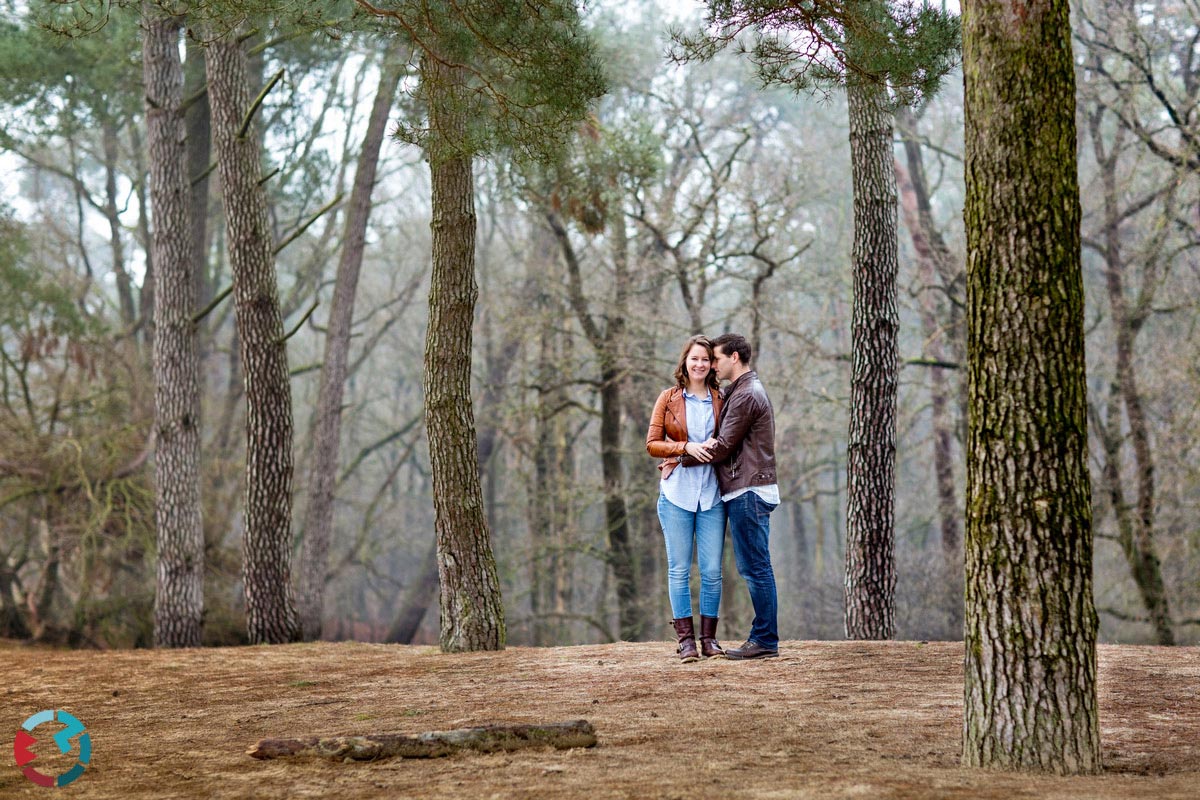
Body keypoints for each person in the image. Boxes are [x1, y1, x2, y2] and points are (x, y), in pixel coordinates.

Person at [685, 332, 780, 659]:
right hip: (746, 488)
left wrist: (679, 457)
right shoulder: (739, 391)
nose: (712, 365)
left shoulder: (746, 395)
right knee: (754, 566)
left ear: (734, 358)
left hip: (749, 489)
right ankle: (764, 637)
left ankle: (766, 639)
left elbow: (723, 446)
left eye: (717, 359)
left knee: (756, 568)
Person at [645, 335, 727, 663]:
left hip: (712, 495)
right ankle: (686, 642)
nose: (699, 364)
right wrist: (684, 448)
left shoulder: (722, 399)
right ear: (685, 362)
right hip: (676, 493)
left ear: (712, 365)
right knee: (679, 570)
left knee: (711, 571)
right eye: (694, 358)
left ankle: (709, 640)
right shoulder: (668, 398)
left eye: (705, 359)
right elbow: (652, 444)